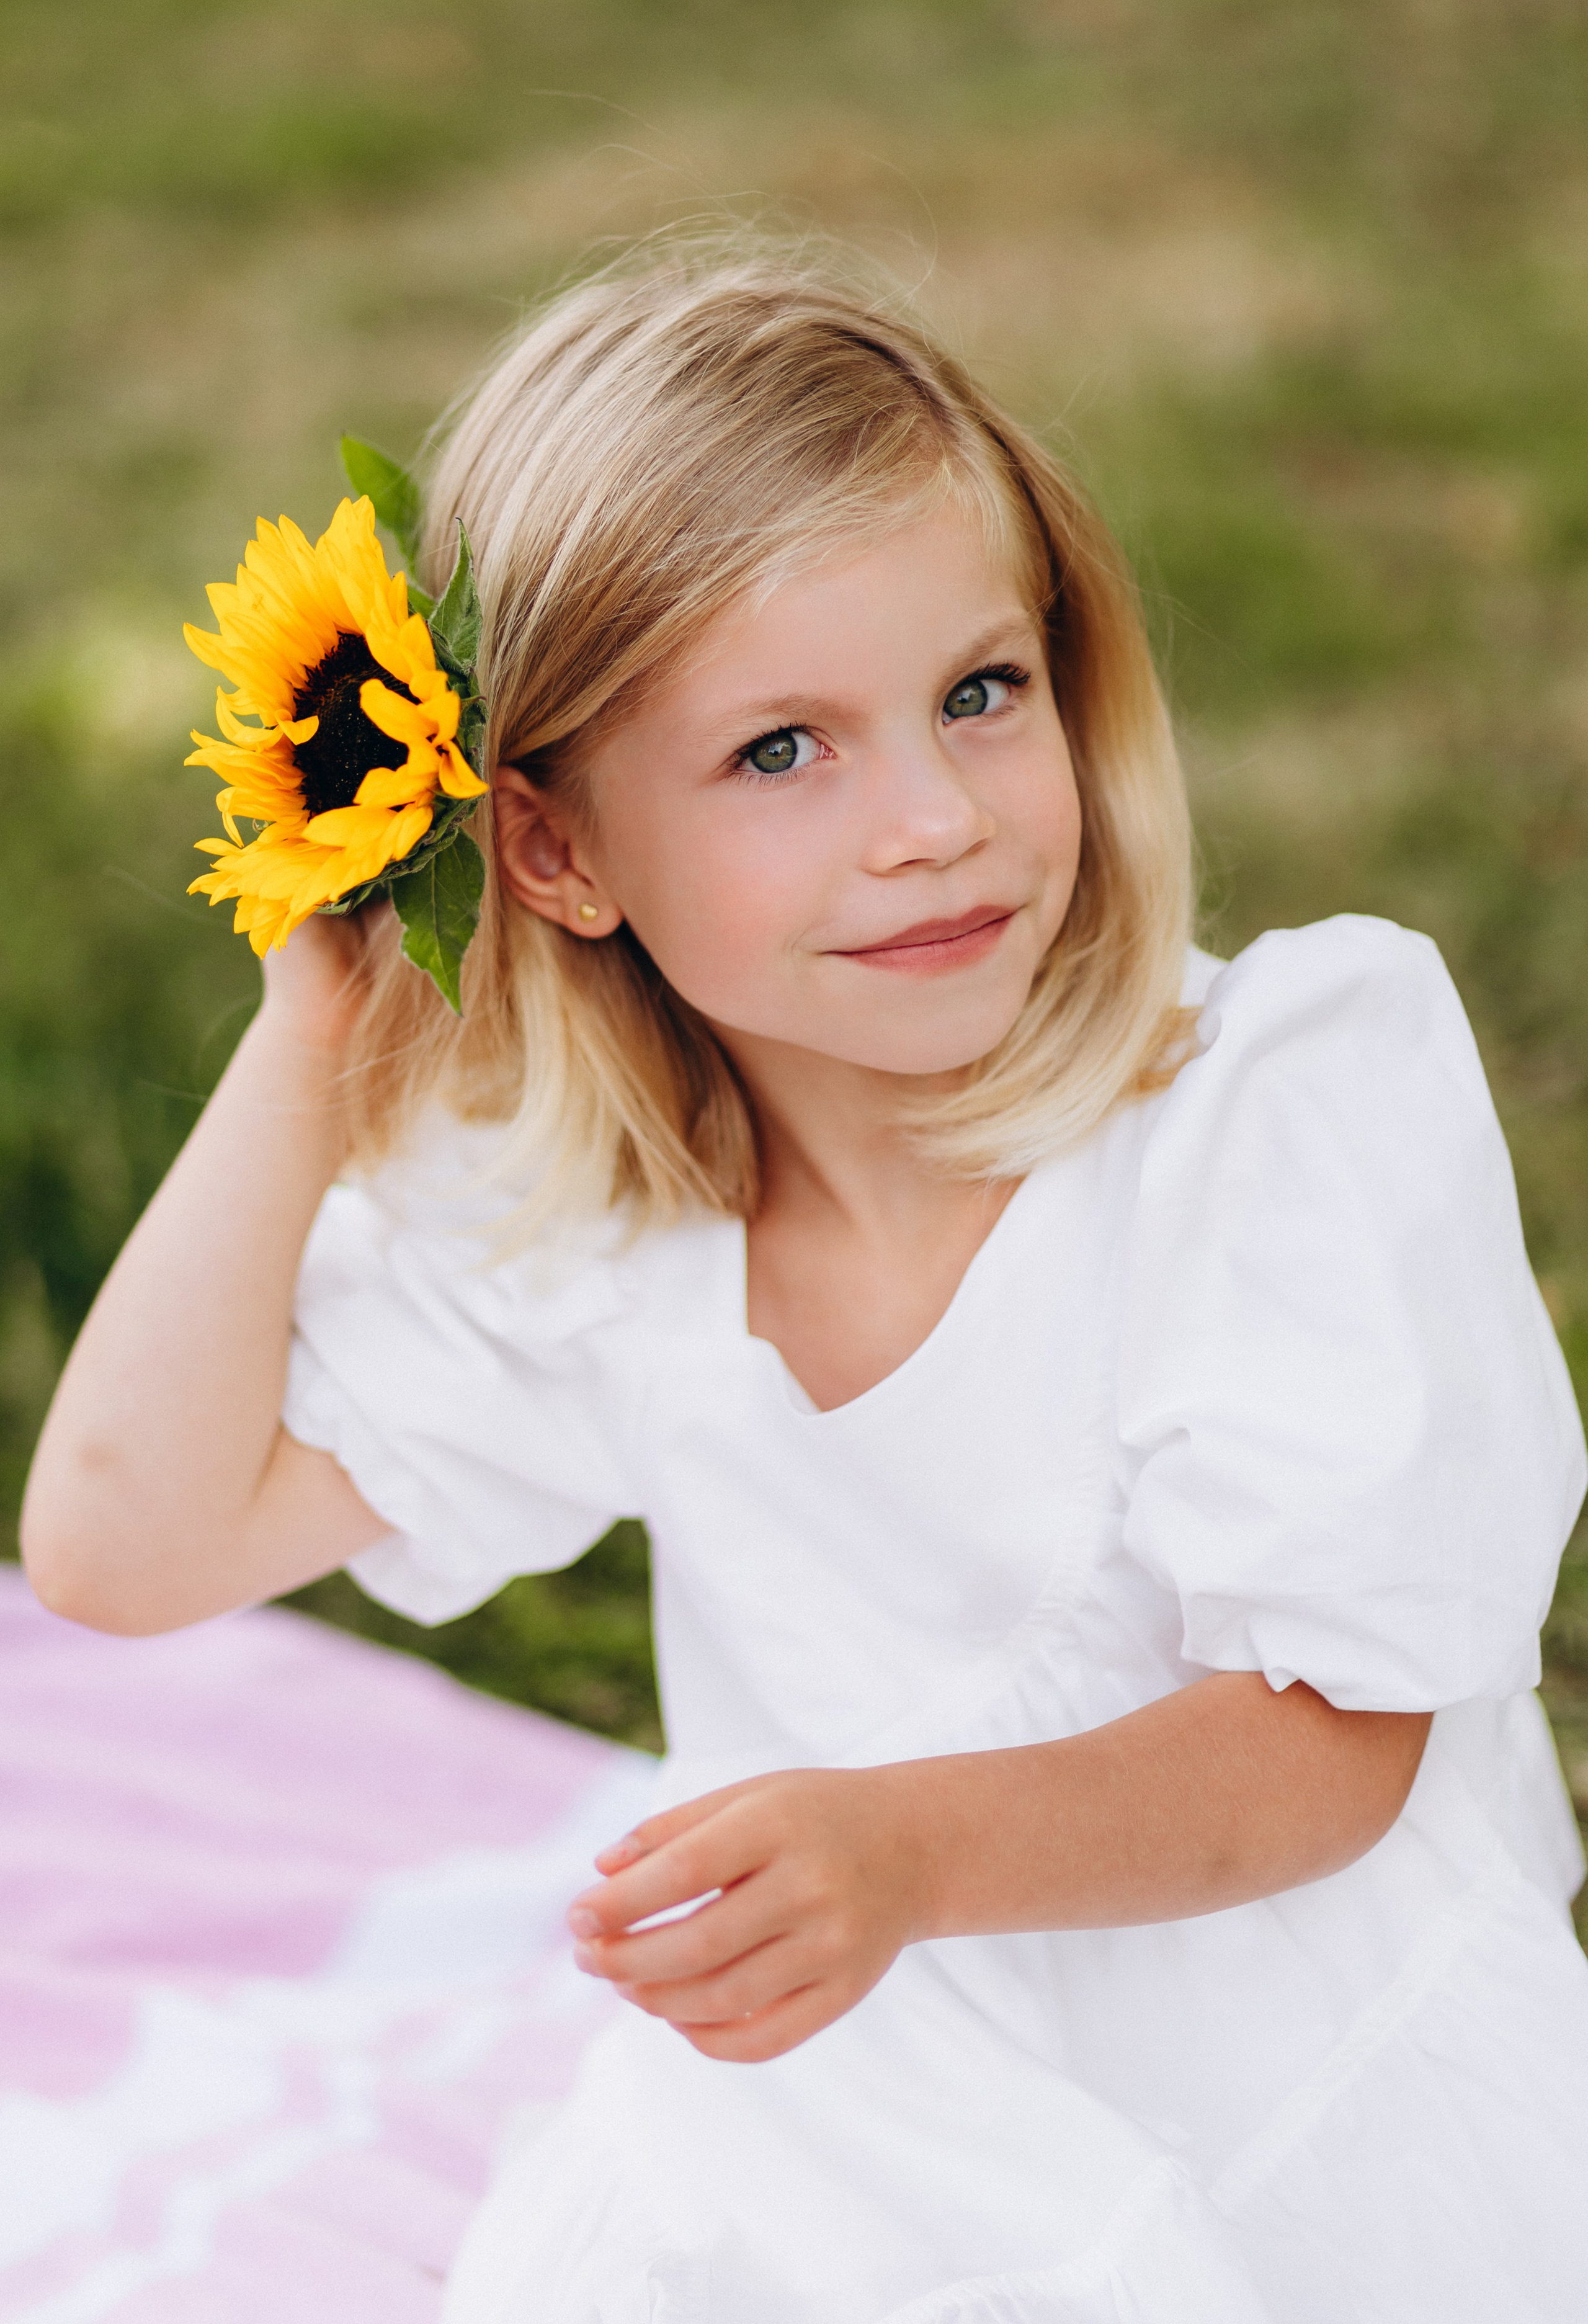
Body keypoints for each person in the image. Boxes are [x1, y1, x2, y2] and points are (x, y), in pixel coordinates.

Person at [22, 249, 1588, 2324]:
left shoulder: (1271, 1116)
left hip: (1301, 2121)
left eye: (978, 693)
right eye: (783, 753)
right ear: (559, 855)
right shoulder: (608, 1244)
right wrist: (327, 996)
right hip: (866, 2148)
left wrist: (910, 1857)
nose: (933, 822)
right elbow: (124, 1548)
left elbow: (1333, 1744)